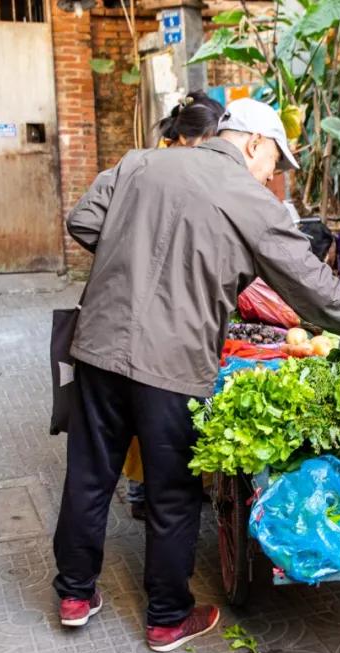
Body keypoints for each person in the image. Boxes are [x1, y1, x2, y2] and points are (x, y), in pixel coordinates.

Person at [53, 98, 340, 651]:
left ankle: (75, 596)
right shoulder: (248, 197)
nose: (275, 176)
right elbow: (312, 290)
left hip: (98, 345)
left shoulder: (140, 162)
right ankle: (167, 619)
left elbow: (84, 221)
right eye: (275, 161)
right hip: (170, 364)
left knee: (88, 474)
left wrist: (133, 259)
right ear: (252, 143)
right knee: (172, 492)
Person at [125, 91, 227, 522]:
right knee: (152, 402)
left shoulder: (149, 162)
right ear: (199, 138)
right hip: (152, 302)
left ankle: (148, 485)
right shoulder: (161, 168)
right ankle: (144, 487)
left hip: (149, 296)